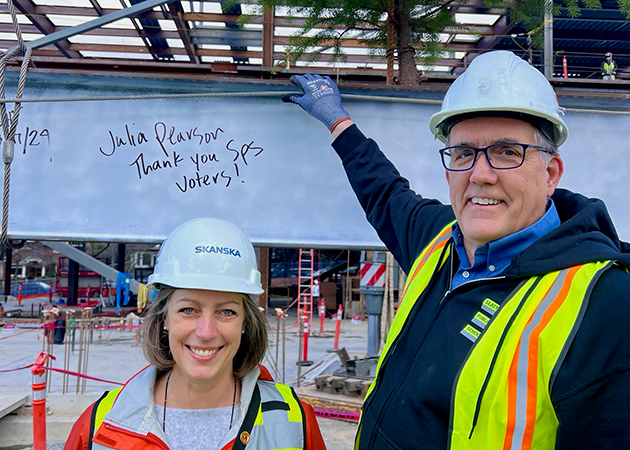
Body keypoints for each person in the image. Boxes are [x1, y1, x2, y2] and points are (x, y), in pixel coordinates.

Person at [283, 51, 630, 449]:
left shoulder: (605, 304)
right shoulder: (438, 240)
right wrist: (337, 120)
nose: (480, 175)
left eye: (506, 152)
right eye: (464, 153)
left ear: (550, 173)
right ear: (449, 171)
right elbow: (383, 191)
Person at [64, 218, 326, 450]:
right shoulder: (101, 425)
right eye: (188, 309)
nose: (206, 332)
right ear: (165, 317)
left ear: (246, 322)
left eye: (226, 312)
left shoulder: (294, 424)